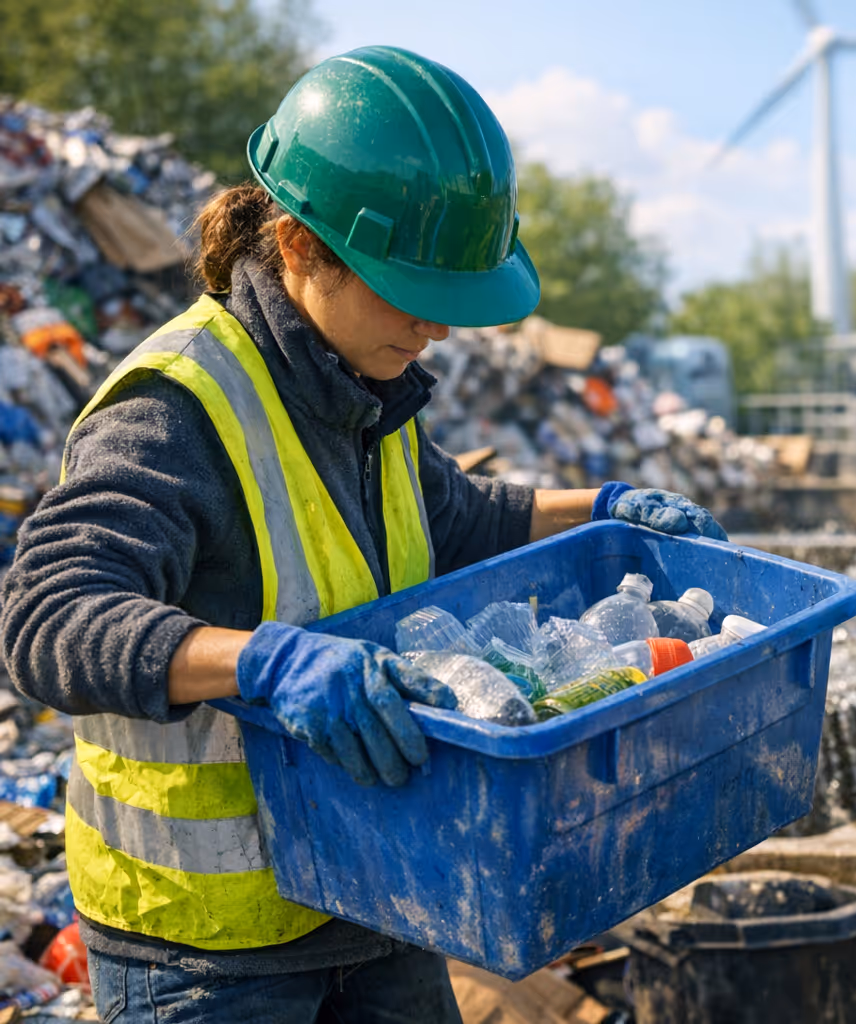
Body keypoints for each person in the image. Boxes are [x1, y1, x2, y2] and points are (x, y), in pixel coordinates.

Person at [0, 46, 724, 1022]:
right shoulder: (175, 411)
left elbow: (458, 515)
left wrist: (599, 508)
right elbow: (48, 621)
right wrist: (266, 662)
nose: (436, 326)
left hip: (376, 895)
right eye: (409, 288)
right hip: (211, 954)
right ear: (299, 246)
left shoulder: (361, 388)